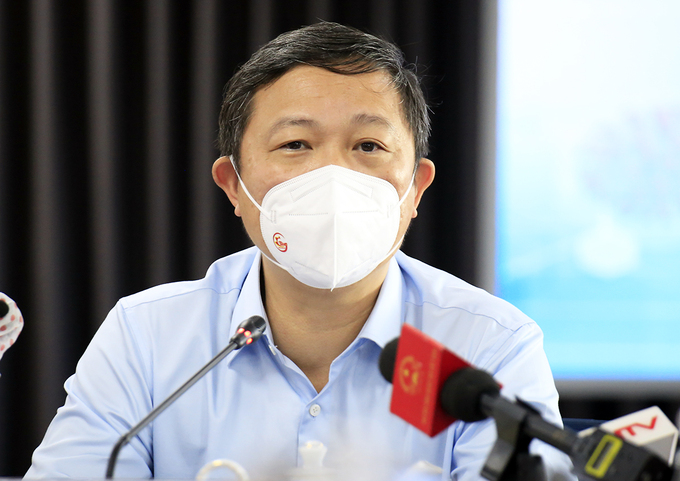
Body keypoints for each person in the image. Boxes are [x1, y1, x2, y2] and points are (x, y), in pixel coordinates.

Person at [26, 22, 575, 480]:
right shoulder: (148, 336)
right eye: (295, 144)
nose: (332, 175)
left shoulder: (487, 345)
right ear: (233, 186)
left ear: (416, 190)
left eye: (368, 145)